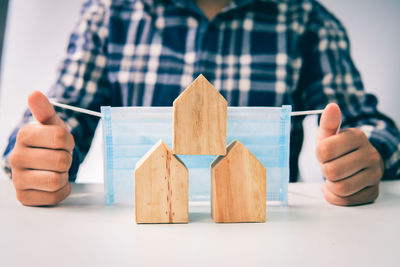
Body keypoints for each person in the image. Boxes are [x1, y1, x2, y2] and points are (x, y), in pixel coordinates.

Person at [3, 0, 399, 207]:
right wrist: (40, 152)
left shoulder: (306, 19)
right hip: (138, 234)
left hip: (264, 236)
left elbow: (367, 124)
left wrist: (366, 155)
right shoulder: (109, 12)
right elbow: (64, 116)